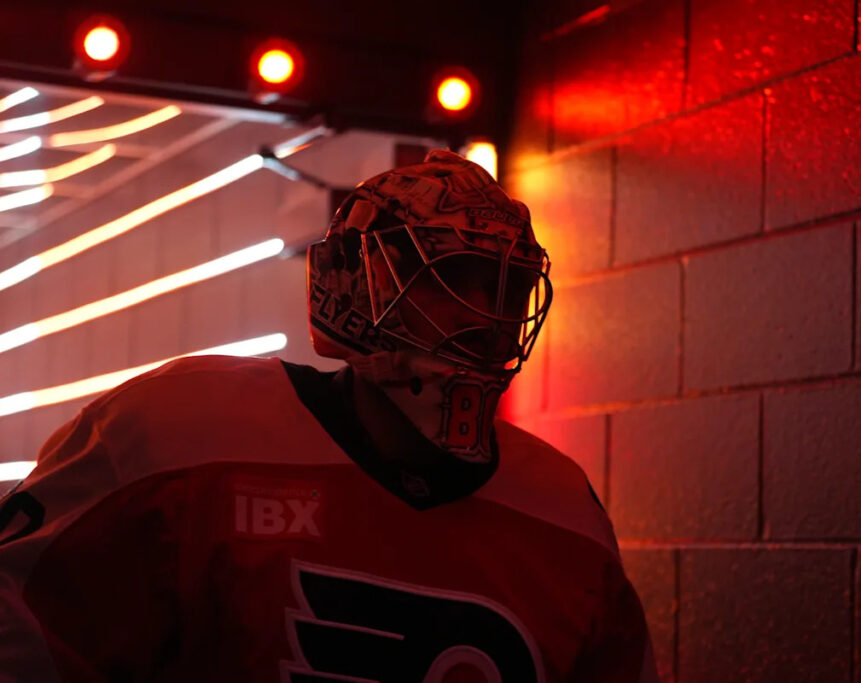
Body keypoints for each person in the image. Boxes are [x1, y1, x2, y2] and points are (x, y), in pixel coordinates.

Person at [0, 150, 657, 682]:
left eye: (508, 287)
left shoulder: (564, 510)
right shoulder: (177, 436)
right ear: (357, 285)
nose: (486, 314)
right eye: (454, 276)